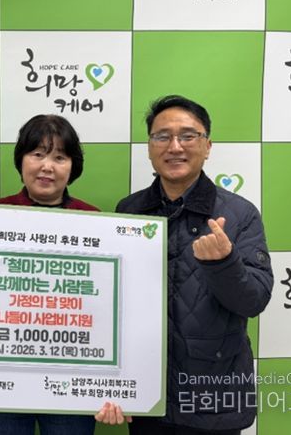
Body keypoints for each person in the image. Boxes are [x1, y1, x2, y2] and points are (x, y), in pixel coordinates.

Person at [0, 114, 127, 434]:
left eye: (59, 157)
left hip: (71, 381)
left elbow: (107, 309)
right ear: (21, 160)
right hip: (2, 379)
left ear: (72, 166)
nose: (47, 166)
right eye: (37, 154)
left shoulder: (95, 221)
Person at [114, 95, 273, 434]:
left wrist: (224, 263)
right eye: (162, 136)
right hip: (147, 396)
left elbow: (254, 301)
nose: (175, 146)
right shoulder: (129, 211)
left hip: (213, 398)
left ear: (207, 145)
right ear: (149, 147)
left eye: (188, 136)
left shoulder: (239, 214)